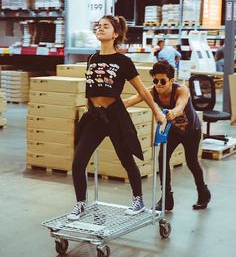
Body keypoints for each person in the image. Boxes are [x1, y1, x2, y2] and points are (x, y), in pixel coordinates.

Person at [67, 15, 165, 221]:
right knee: (78, 162)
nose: (100, 29)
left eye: (106, 26)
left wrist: (157, 112)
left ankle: (138, 200)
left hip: (115, 116)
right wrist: (87, 113)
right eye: (98, 26)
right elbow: (90, 90)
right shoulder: (92, 59)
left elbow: (143, 90)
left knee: (126, 159)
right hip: (95, 116)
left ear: (116, 33)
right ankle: (80, 203)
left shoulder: (123, 61)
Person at [123, 60, 211, 211]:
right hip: (174, 131)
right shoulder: (152, 92)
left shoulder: (181, 90)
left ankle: (203, 193)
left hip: (192, 130)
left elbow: (180, 106)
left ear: (171, 80)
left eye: (163, 81)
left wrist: (173, 113)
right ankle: (167, 198)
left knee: (192, 162)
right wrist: (107, 105)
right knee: (162, 159)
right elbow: (130, 100)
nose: (159, 84)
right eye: (156, 80)